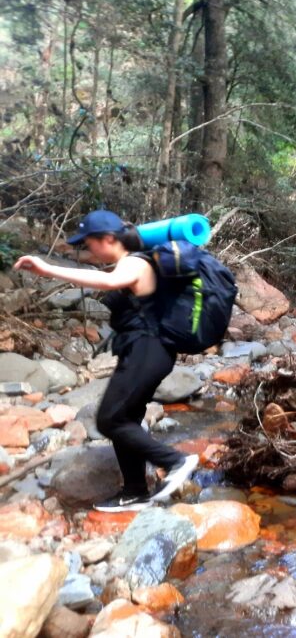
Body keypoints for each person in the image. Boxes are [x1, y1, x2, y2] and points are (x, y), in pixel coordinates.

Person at [15, 210, 199, 512]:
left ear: (109, 239)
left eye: (89, 244)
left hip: (148, 351)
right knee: (124, 420)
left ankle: (175, 461)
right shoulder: (134, 259)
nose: (88, 250)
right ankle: (135, 491)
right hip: (145, 352)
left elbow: (107, 281)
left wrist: (49, 270)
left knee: (109, 419)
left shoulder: (136, 263)